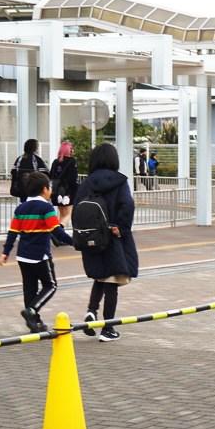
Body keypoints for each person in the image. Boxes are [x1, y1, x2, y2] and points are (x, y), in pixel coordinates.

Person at [76, 143, 139, 342]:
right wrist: (121, 228)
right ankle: (108, 328)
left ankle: (92, 311)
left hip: (91, 237)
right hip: (112, 237)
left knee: (99, 276)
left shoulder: (86, 184)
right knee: (112, 280)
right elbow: (127, 205)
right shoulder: (119, 181)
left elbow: (78, 207)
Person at [0, 171, 74, 334]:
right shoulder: (46, 208)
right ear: (44, 189)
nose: (51, 191)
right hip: (40, 256)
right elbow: (57, 232)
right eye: (50, 188)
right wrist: (75, 242)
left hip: (23, 256)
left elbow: (13, 231)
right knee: (50, 285)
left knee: (29, 289)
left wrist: (5, 252)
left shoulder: (21, 208)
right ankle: (32, 311)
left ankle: (34, 322)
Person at [49, 141, 79, 226]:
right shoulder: (72, 161)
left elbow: (51, 175)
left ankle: (58, 235)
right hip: (68, 192)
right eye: (71, 149)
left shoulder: (55, 162)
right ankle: (59, 230)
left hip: (57, 191)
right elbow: (73, 179)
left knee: (62, 214)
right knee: (68, 214)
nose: (72, 150)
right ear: (69, 150)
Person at [10, 139, 48, 203]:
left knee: (24, 205)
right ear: (34, 148)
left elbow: (13, 172)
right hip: (34, 190)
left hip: (21, 189)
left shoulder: (19, 159)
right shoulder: (36, 160)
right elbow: (45, 174)